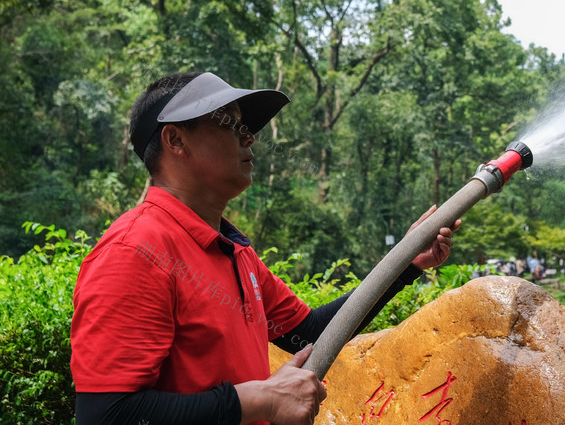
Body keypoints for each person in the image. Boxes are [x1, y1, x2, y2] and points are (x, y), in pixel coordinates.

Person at [71, 72, 460, 425]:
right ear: (175, 140)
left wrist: (406, 263)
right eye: (228, 123)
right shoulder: (134, 252)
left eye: (245, 126)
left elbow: (310, 333)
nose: (249, 137)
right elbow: (105, 415)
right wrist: (259, 401)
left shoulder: (234, 250)